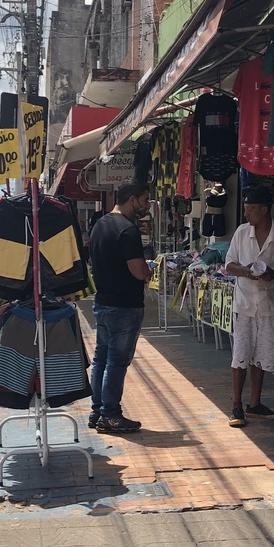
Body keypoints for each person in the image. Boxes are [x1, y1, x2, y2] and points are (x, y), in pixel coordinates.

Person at [223, 186, 274, 427]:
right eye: (245, 209)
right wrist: (246, 271)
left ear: (264, 210)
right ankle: (236, 405)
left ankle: (254, 403)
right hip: (245, 302)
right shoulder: (241, 232)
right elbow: (229, 264)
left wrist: (273, 274)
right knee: (241, 354)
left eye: (250, 209)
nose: (246, 213)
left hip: (270, 304)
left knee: (262, 357)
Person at [87, 181, 153, 433]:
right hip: (124, 306)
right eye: (145, 200)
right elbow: (137, 270)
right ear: (132, 199)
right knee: (116, 361)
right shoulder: (128, 229)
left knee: (101, 359)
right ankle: (111, 414)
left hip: (103, 301)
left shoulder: (100, 225)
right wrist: (147, 272)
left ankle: (98, 410)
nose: (146, 206)